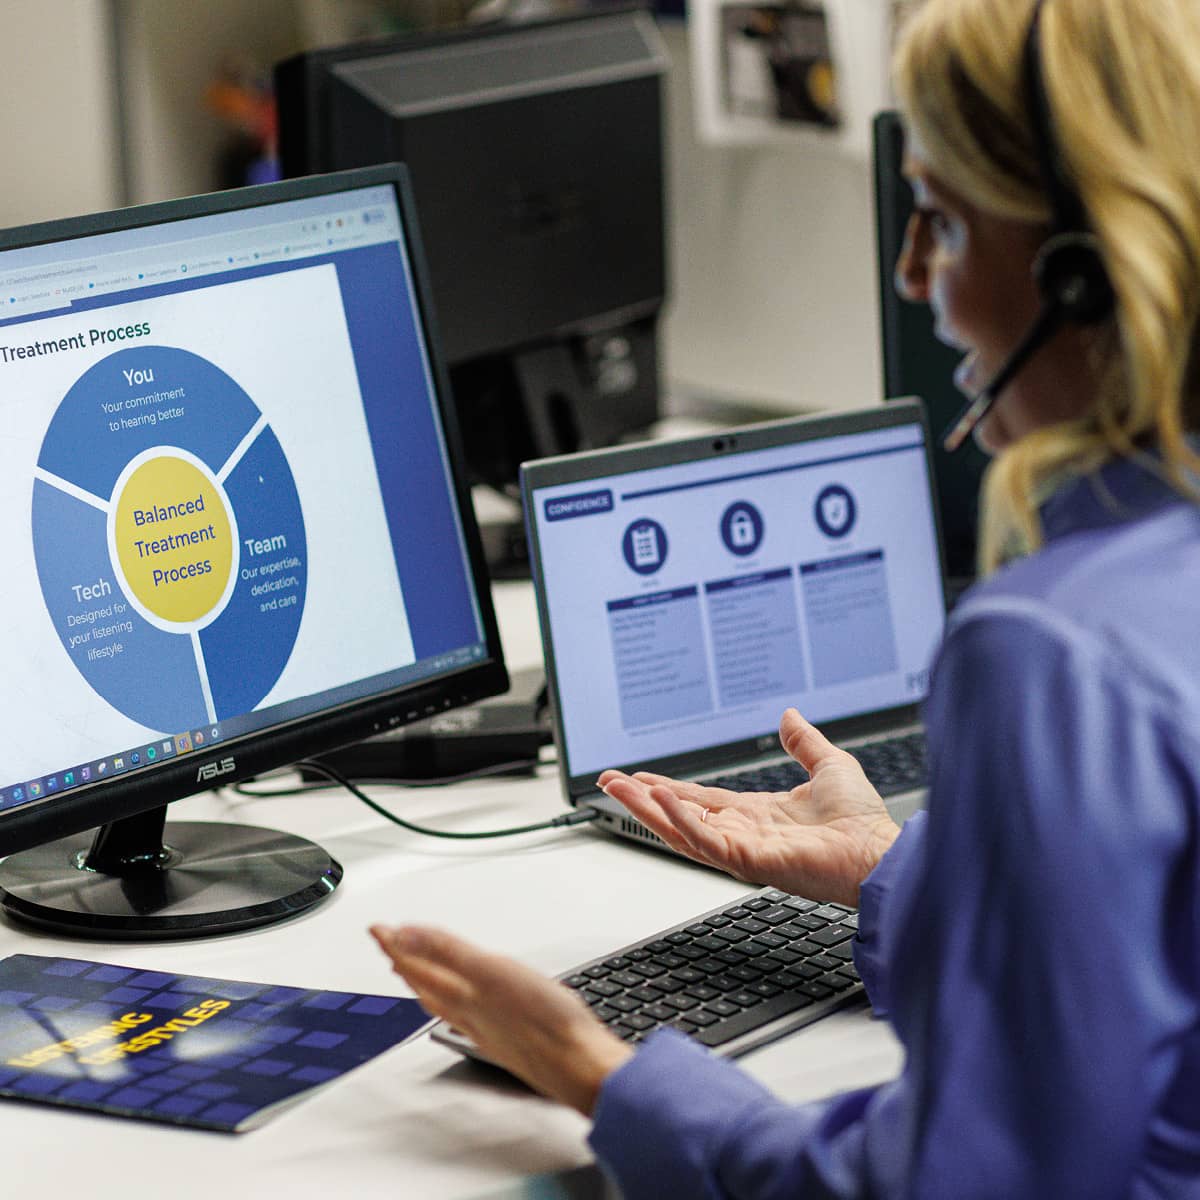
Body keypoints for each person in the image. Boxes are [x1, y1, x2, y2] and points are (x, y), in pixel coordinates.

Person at [371, 0, 1200, 1193]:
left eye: (945, 225)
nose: (913, 277)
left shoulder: (1055, 649)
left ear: (1084, 276)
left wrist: (597, 1073)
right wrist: (895, 868)